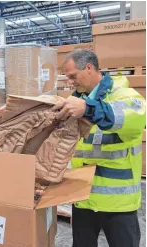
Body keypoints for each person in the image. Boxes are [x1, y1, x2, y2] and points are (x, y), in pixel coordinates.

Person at [52, 49, 146, 247]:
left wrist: (88, 109)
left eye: (72, 76)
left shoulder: (124, 95)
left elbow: (133, 119)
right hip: (82, 199)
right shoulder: (75, 101)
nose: (69, 82)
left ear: (88, 68)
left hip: (118, 204)